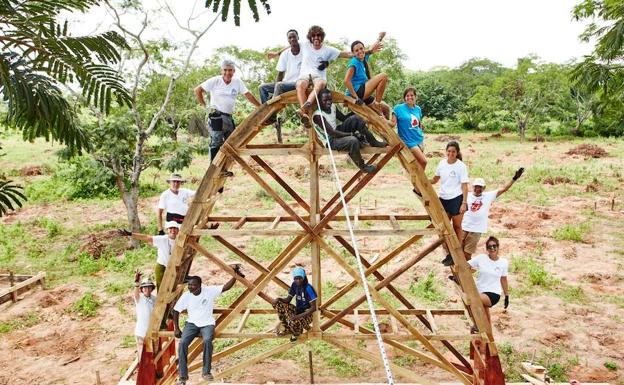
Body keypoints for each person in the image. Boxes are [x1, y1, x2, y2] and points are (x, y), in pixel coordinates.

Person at [295, 25, 382, 127]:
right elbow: (291, 45)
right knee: (300, 85)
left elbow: (348, 54)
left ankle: (308, 103)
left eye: (318, 35)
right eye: (313, 35)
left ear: (322, 37)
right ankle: (304, 112)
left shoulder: (328, 49)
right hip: (304, 75)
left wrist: (369, 51)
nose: (316, 37)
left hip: (318, 77)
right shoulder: (305, 45)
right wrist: (276, 53)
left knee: (320, 84)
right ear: (310, 37)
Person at [173, 270, 244, 384]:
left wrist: (235, 277)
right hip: (192, 324)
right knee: (182, 344)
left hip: (207, 323)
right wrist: (176, 328)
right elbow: (176, 310)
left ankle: (206, 372)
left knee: (207, 341)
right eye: (189, 285)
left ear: (200, 286)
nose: (190, 287)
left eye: (193, 285)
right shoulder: (187, 295)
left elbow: (225, 287)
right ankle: (182, 376)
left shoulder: (209, 291)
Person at [194, 59, 261, 172]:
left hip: (229, 117)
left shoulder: (237, 82)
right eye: (225, 70)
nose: (227, 73)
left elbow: (248, 95)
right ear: (222, 70)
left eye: (230, 70)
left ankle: (224, 168)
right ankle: (213, 168)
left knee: (232, 142)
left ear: (234, 71)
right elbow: (197, 90)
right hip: (216, 116)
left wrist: (260, 107)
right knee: (216, 141)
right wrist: (205, 107)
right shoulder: (215, 81)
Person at [312, 89, 387, 174]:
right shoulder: (318, 116)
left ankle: (373, 141)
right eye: (325, 100)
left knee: (356, 118)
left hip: (337, 131)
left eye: (330, 99)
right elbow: (332, 132)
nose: (328, 102)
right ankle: (363, 167)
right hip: (331, 140)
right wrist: (352, 134)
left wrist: (357, 109)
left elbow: (344, 118)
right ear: (319, 101)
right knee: (352, 140)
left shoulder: (332, 107)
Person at [460, 169, 524, 262]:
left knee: (467, 253)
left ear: (484, 188)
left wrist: (514, 179)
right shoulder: (467, 195)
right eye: (476, 187)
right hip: (463, 226)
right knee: (458, 251)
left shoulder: (488, 196)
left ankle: (467, 271)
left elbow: (503, 189)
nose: (478, 189)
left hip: (476, 229)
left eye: (480, 187)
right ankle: (459, 273)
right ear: (473, 186)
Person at [431, 141, 469, 266]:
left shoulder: (461, 166)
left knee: (457, 227)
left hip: (456, 198)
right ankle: (449, 253)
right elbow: (435, 179)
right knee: (445, 228)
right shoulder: (442, 163)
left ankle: (457, 254)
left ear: (457, 153)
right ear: (446, 151)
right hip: (443, 198)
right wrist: (425, 181)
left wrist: (464, 202)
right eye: (449, 151)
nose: (451, 153)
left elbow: (464, 186)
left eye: (453, 151)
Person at [118, 221, 180, 289]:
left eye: (175, 228)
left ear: (178, 230)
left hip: (173, 267)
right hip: (162, 266)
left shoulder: (180, 240)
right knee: (161, 289)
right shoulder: (163, 239)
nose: (173, 230)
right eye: (171, 228)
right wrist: (130, 234)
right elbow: (147, 237)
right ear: (167, 230)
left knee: (172, 287)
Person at [467, 236, 509, 329]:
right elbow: (466, 265)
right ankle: (489, 336)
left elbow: (503, 279)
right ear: (487, 249)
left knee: (472, 299)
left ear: (498, 247)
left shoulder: (503, 262)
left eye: (494, 246)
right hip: (481, 292)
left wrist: (506, 296)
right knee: (485, 315)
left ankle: (477, 325)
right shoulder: (481, 258)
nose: (492, 248)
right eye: (489, 247)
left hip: (493, 294)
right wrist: (472, 273)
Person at [344, 34, 390, 119]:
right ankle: (377, 104)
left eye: (361, 48)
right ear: (353, 53)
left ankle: (386, 126)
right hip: (356, 93)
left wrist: (380, 37)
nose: (360, 51)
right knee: (383, 76)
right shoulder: (354, 63)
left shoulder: (364, 57)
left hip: (363, 92)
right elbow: (346, 81)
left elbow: (372, 48)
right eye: (356, 50)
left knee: (386, 109)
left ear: (364, 49)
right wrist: (356, 98)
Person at [271, 267, 317, 342]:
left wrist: (298, 316)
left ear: (304, 277)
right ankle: (287, 328)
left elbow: (313, 308)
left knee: (293, 320)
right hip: (298, 311)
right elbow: (288, 300)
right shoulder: (294, 285)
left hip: (308, 314)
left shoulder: (308, 288)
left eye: (300, 278)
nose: (298, 280)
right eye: (296, 278)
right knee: (279, 304)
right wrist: (278, 299)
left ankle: (297, 332)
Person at [391, 87, 427, 169]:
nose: (409, 97)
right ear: (404, 98)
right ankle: (421, 181)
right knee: (423, 162)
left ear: (415, 97)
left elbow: (418, 122)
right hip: (408, 140)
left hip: (419, 139)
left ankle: (416, 180)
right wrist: (383, 120)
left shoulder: (418, 109)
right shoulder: (398, 108)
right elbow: (393, 123)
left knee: (417, 163)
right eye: (407, 95)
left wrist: (421, 127)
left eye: (412, 95)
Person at [133, 271, 156, 360]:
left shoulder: (154, 299)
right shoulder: (139, 298)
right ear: (142, 289)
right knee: (142, 355)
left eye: (149, 287)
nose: (147, 289)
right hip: (141, 332)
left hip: (151, 332)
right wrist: (137, 283)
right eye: (145, 288)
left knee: (152, 354)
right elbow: (136, 293)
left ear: (152, 288)